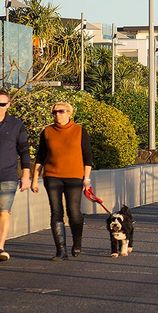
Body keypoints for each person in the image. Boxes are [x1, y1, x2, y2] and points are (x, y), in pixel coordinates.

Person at [31, 101, 92, 261]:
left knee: (74, 211)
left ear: (69, 113)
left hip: (74, 176)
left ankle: (77, 242)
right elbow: (40, 156)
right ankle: (61, 250)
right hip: (52, 176)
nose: (58, 115)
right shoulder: (47, 131)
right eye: (55, 112)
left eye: (61, 111)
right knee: (56, 211)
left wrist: (86, 178)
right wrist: (34, 179)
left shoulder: (80, 131)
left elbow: (87, 157)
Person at [0, 90, 31, 262]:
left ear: (9, 105)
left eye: (2, 104)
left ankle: (0, 247)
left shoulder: (16, 124)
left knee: (4, 212)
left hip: (8, 175)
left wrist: (26, 175)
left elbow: (24, 151)